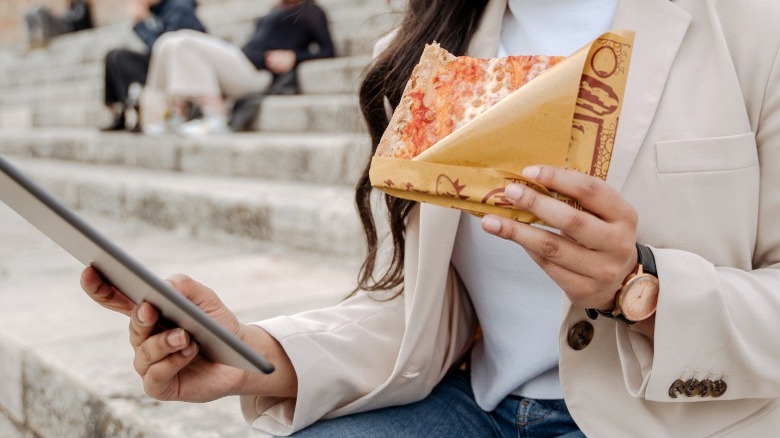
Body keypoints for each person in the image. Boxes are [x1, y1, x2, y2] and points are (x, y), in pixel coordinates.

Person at [80, 0, 780, 436]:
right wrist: (252, 355)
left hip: (682, 420)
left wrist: (640, 288)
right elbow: (421, 312)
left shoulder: (754, 27)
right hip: (479, 408)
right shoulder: (431, 40)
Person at [140, 0, 335, 135]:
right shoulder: (276, 8)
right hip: (241, 60)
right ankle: (166, 114)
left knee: (183, 40)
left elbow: (328, 50)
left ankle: (216, 115)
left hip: (257, 73)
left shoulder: (311, 11)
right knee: (167, 42)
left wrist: (294, 56)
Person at [101, 0, 205, 132]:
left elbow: (165, 50)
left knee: (121, 59)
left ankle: (137, 111)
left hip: (180, 68)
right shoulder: (157, 9)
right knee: (114, 56)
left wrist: (141, 23)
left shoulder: (180, 7)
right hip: (163, 64)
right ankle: (121, 111)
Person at [24, 0, 93, 48]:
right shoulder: (71, 6)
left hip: (70, 27)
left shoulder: (81, 3)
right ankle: (34, 39)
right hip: (67, 25)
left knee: (40, 11)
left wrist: (64, 17)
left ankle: (46, 35)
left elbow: (77, 19)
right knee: (28, 13)